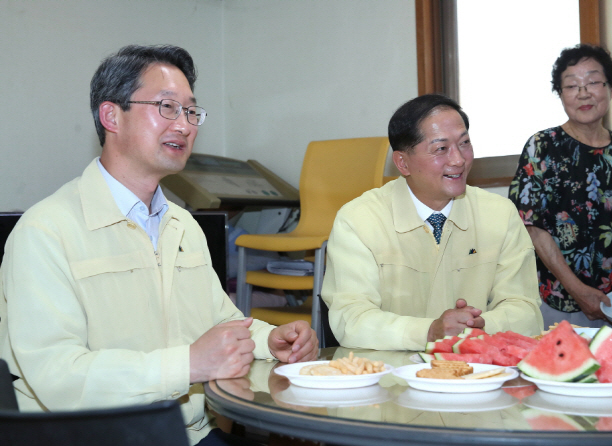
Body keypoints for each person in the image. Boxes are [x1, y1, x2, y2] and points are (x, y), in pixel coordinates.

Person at [0, 45, 318, 445]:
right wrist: (187, 365)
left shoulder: (183, 225)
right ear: (111, 115)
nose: (184, 125)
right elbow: (56, 375)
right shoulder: (46, 230)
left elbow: (221, 325)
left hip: (191, 434)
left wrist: (269, 341)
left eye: (190, 111)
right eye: (167, 106)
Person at [320, 94, 543, 351]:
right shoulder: (359, 220)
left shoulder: (500, 214)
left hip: (479, 371)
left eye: (465, 143)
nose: (458, 159)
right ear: (403, 162)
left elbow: (525, 310)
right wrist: (429, 332)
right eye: (441, 149)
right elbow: (351, 320)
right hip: (391, 378)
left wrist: (473, 327)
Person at [508, 44, 612, 329]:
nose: (583, 93)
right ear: (560, 94)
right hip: (560, 300)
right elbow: (531, 226)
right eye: (571, 86)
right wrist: (578, 290)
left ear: (610, 88)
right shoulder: (542, 147)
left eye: (593, 82)